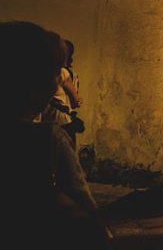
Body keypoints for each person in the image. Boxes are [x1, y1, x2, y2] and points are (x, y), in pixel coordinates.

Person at [3, 21, 107, 249]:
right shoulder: (48, 138)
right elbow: (82, 199)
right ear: (35, 83)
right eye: (53, 74)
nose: (57, 81)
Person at [42, 39, 83, 146]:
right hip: (62, 121)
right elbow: (75, 102)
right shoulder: (66, 73)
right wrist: (78, 101)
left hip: (45, 121)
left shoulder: (45, 71)